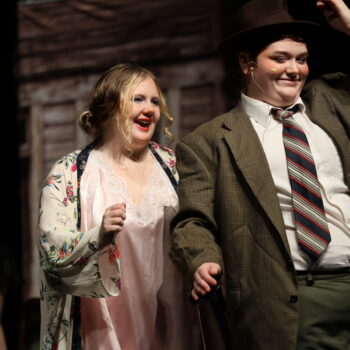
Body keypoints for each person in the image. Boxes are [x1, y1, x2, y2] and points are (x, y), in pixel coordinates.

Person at [170, 0, 350, 349]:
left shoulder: (331, 103)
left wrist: (348, 24)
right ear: (246, 63)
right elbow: (192, 221)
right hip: (286, 298)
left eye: (301, 58)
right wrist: (201, 258)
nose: (294, 69)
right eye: (280, 58)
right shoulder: (208, 141)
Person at [38, 63, 200, 350]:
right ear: (111, 105)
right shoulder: (70, 173)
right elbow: (52, 252)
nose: (150, 109)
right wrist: (97, 237)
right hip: (102, 326)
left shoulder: (174, 167)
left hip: (170, 320)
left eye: (154, 101)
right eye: (138, 99)